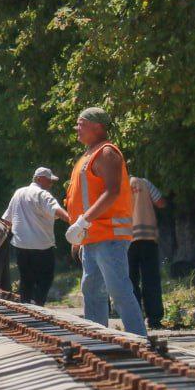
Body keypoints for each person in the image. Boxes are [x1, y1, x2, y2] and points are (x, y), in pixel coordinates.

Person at [64, 107, 147, 336]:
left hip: (109, 235)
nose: (77, 129)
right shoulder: (88, 155)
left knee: (118, 289)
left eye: (81, 124)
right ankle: (98, 338)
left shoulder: (107, 153)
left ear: (96, 126)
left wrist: (83, 222)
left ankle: (139, 339)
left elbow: (112, 192)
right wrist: (80, 234)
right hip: (92, 236)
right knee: (92, 290)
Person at [2, 167, 70, 306]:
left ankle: (27, 308)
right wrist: (73, 221)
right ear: (39, 179)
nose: (51, 184)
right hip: (42, 246)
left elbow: (7, 221)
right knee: (45, 279)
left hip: (20, 246)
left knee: (26, 279)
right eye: (49, 180)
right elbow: (56, 210)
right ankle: (38, 305)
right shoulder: (43, 194)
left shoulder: (18, 193)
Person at [129, 176, 168, 328]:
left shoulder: (115, 185)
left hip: (126, 239)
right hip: (148, 237)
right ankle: (154, 318)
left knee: (130, 280)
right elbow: (160, 202)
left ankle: (134, 317)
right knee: (151, 279)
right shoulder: (144, 182)